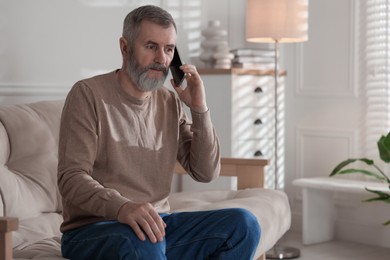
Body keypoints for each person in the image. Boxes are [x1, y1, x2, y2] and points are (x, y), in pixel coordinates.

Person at [57, 5, 260, 260]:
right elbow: (71, 177)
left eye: (169, 49)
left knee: (244, 225)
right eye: (151, 46)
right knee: (143, 240)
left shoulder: (169, 102)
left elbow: (206, 172)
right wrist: (122, 207)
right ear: (125, 47)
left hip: (158, 226)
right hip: (94, 230)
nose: (162, 59)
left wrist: (199, 108)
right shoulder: (87, 95)